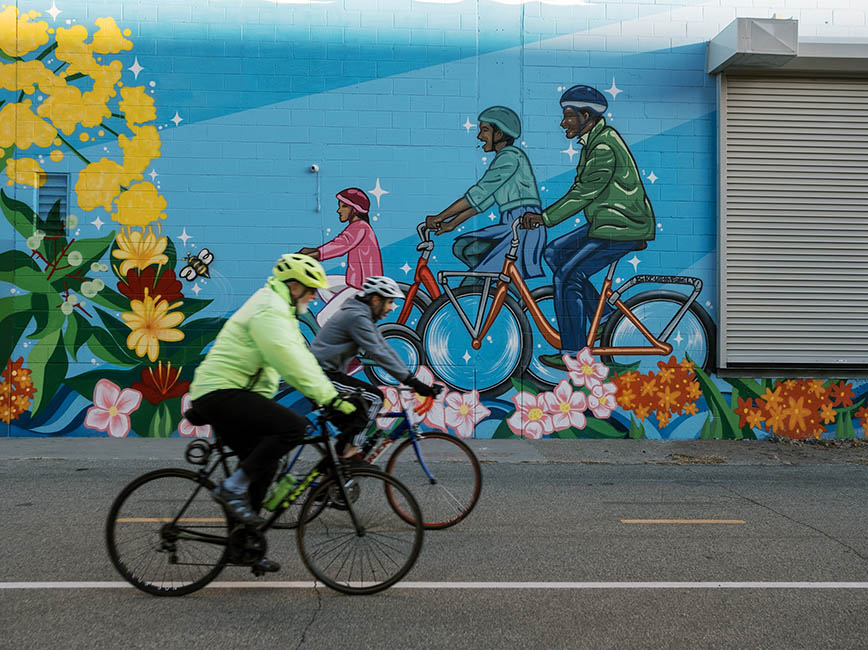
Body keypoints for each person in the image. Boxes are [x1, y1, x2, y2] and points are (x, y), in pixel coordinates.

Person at [188, 253, 361, 572]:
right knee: (292, 428)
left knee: (265, 465)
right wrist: (330, 400)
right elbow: (287, 360)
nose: (313, 296)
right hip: (221, 392)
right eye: (310, 289)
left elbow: (303, 357)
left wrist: (331, 395)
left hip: (229, 393)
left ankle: (243, 546)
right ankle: (231, 489)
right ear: (293, 286)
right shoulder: (269, 309)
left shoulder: (281, 311)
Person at [521, 85, 655, 369]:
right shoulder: (595, 140)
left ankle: (573, 352)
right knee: (554, 253)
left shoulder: (603, 146)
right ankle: (605, 316)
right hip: (606, 223)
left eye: (568, 116)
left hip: (622, 227)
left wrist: (545, 218)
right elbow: (581, 189)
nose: (562, 122)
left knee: (567, 277)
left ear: (586, 115)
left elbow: (584, 192)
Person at [310, 275, 438, 457]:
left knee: (357, 414)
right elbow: (379, 352)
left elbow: (385, 348)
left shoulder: (362, 315)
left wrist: (412, 379)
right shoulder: (357, 317)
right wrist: (412, 381)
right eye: (389, 302)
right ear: (376, 299)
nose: (390, 308)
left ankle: (337, 468)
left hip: (328, 373)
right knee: (374, 398)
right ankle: (350, 457)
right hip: (321, 375)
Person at [425, 106, 546, 282]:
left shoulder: (510, 157)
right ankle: (511, 299)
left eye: (485, 130)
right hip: (512, 224)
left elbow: (479, 194)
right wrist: (451, 224)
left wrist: (440, 217)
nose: (480, 136)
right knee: (464, 247)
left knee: (475, 279)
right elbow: (481, 203)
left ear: (499, 134)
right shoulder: (505, 158)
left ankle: (499, 292)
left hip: (522, 226)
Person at [299, 188, 384, 326]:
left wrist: (315, 254)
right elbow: (340, 242)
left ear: (355, 209)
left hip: (364, 287)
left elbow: (341, 245)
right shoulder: (358, 227)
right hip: (356, 281)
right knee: (321, 284)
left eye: (343, 206)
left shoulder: (360, 227)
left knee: (322, 318)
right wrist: (312, 252)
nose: (339, 210)